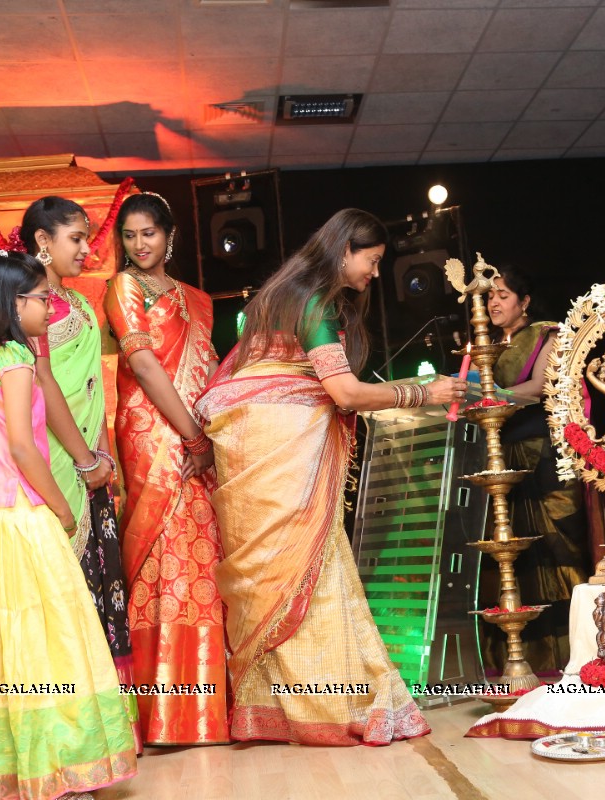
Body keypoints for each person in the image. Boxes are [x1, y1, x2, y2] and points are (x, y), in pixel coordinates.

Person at [194, 208, 466, 746]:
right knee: (308, 564)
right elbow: (343, 392)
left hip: (250, 440)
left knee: (275, 571)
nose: (375, 271)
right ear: (346, 250)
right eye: (373, 259)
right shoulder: (315, 301)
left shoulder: (282, 292)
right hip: (283, 438)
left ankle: (269, 708)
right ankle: (331, 703)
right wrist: (423, 393)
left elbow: (242, 370)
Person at [0, 252, 136, 800]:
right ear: (13, 303)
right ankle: (61, 768)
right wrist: (61, 506)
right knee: (52, 638)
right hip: (24, 516)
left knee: (5, 643)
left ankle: (16, 772)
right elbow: (24, 448)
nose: (48, 306)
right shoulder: (14, 356)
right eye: (40, 299)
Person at [104, 192, 228, 746]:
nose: (139, 244)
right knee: (165, 554)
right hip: (153, 435)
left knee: (204, 554)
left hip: (198, 436)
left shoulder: (197, 300)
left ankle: (206, 710)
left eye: (149, 233)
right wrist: (191, 434)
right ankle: (159, 714)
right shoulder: (122, 288)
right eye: (129, 236)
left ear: (170, 235)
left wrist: (209, 436)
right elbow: (145, 364)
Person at [19, 196, 140, 752]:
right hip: (57, 464)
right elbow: (44, 387)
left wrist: (100, 455)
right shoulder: (32, 305)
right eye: (76, 239)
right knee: (66, 596)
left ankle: (108, 733)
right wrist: (86, 461)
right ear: (43, 242)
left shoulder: (73, 300)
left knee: (101, 589)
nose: (88, 250)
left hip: (90, 460)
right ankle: (72, 739)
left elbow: (90, 384)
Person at [485, 265, 605, 673]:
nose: (494, 302)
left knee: (554, 549)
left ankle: (572, 656)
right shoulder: (486, 345)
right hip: (503, 457)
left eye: (503, 295)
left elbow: (545, 384)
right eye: (490, 296)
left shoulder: (547, 334)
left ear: (524, 302)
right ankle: (520, 658)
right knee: (514, 556)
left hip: (544, 457)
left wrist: (491, 395)